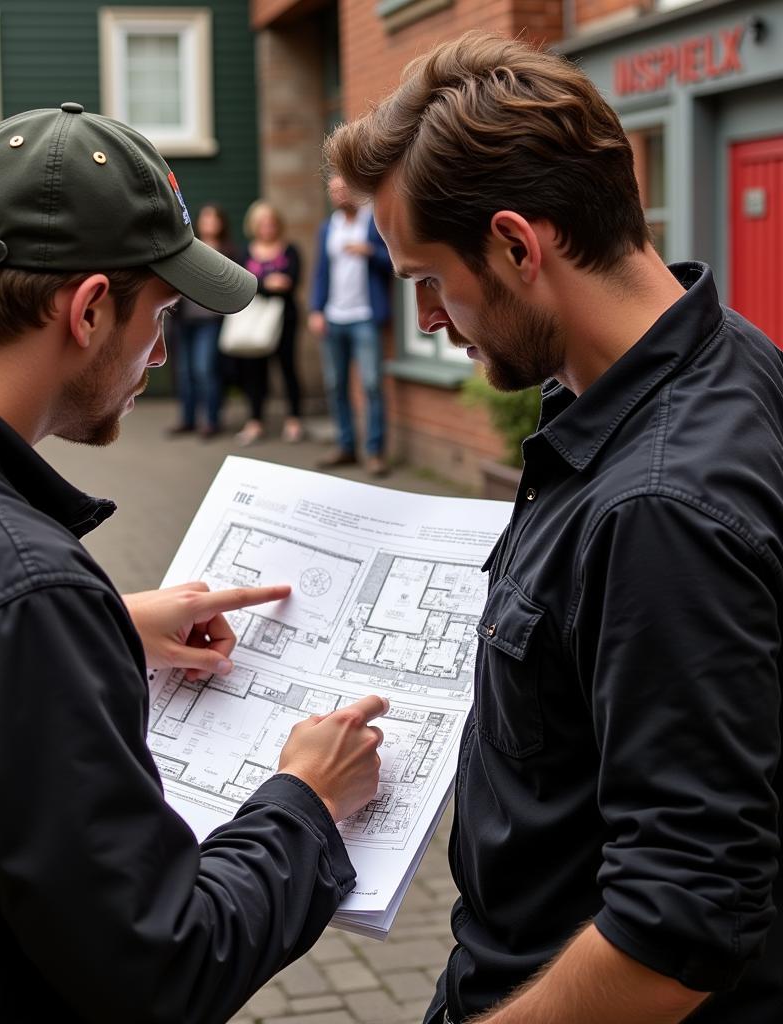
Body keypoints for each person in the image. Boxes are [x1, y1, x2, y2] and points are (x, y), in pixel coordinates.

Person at [0, 103, 389, 1024]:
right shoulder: (17, 590)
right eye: (162, 314)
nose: (163, 352)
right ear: (89, 308)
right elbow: (161, 964)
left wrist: (105, 628)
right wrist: (307, 802)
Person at [328, 31, 782, 1024]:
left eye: (428, 282)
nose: (434, 320)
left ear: (515, 246)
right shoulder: (718, 358)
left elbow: (679, 926)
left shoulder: (660, 511)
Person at [309, 175, 393, 477]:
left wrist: (370, 252)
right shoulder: (327, 227)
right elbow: (320, 271)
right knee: (336, 385)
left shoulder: (373, 222)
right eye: (332, 189)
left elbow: (395, 262)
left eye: (342, 188)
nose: (338, 194)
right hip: (334, 317)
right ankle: (346, 446)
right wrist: (316, 309)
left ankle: (375, 452)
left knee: (371, 384)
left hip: (365, 317)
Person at [234, 199, 303, 445]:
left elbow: (292, 280)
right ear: (254, 226)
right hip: (255, 321)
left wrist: (264, 283)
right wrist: (266, 284)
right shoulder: (245, 251)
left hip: (285, 318)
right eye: (262, 224)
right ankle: (255, 421)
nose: (267, 228)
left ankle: (294, 420)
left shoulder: (290, 250)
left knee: (287, 368)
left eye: (271, 223)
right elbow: (243, 284)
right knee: (254, 372)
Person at [166, 203, 235, 439]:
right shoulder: (188, 247)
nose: (210, 223)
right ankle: (187, 419)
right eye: (206, 218)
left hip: (210, 321)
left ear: (221, 223)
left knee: (204, 369)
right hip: (184, 321)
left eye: (214, 219)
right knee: (185, 372)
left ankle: (212, 421)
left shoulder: (228, 251)